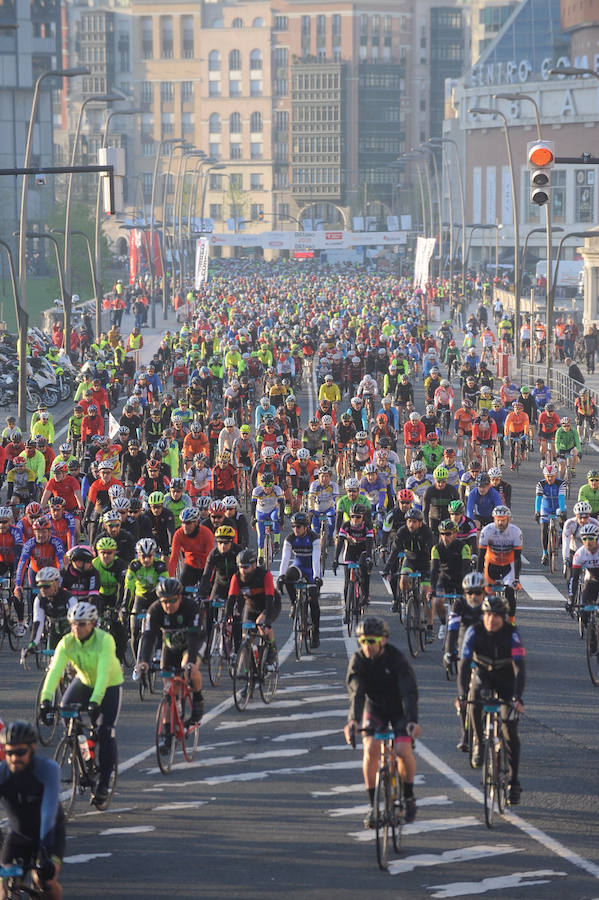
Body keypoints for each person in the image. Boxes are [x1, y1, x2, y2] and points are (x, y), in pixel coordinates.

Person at [40, 600, 122, 807]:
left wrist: (95, 701)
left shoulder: (105, 640)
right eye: (74, 623)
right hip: (84, 681)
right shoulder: (67, 642)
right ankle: (84, 752)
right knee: (66, 710)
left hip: (109, 685)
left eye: (82, 624)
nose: (77, 628)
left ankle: (103, 783)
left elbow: (103, 674)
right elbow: (55, 672)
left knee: (105, 730)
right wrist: (45, 701)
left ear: (93, 624)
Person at [344, 616, 420, 828]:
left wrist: (412, 720)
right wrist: (353, 722)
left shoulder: (397, 659)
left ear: (383, 640)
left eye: (371, 641)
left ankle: (408, 795)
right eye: (362, 641)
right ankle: (373, 806)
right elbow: (356, 693)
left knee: (404, 751)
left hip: (398, 710)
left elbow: (409, 692)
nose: (366, 646)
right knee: (370, 749)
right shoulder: (358, 660)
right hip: (374, 708)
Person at [458, 594, 525, 805]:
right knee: (473, 701)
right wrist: (461, 696)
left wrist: (516, 698)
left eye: (497, 615)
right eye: (488, 614)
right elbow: (463, 664)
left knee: (509, 730)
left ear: (504, 617)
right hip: (483, 676)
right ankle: (478, 741)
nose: (492, 619)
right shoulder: (474, 632)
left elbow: (520, 668)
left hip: (506, 680)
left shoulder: (512, 634)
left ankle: (513, 782)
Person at [0, 721, 64, 900]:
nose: (14, 758)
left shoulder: (47, 769)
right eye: (9, 752)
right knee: (2, 892)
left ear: (33, 748)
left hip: (50, 833)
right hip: (18, 835)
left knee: (44, 881)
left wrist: (45, 850)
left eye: (20, 752)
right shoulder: (2, 772)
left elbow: (49, 812)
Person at [138, 577, 205, 740]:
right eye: (164, 601)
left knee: (188, 667)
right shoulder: (154, 610)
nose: (168, 605)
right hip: (171, 646)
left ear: (180, 597)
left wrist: (189, 662)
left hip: (193, 642)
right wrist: (143, 662)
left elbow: (193, 637)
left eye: (173, 600)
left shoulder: (191, 607)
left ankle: (197, 698)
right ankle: (167, 732)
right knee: (169, 690)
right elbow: (148, 637)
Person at [444, 571, 486, 750]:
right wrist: (448, 652)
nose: (474, 596)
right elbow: (452, 630)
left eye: (477, 592)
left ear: (484, 592)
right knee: (463, 699)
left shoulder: (490, 604)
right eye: (470, 592)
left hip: (486, 650)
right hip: (465, 648)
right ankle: (465, 735)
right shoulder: (459, 604)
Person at [226, 549, 280, 663]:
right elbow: (231, 600)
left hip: (270, 604)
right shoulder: (236, 578)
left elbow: (270, 598)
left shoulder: (265, 575)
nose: (243, 570)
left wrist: (268, 620)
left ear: (254, 565)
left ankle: (272, 648)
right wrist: (227, 618)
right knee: (246, 638)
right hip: (252, 606)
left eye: (246, 567)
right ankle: (250, 672)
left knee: (261, 624)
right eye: (241, 567)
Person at [277, 512, 322, 648]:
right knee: (288, 576)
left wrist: (317, 577)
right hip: (299, 566)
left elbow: (316, 559)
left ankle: (315, 633)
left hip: (311, 570)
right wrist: (281, 576)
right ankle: (293, 603)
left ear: (306, 527)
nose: (295, 529)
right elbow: (285, 558)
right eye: (293, 526)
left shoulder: (314, 538)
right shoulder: (290, 538)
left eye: (299, 526)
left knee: (313, 601)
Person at [333, 503, 374, 623]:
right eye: (352, 517)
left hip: (363, 550)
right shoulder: (346, 525)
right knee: (347, 582)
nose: (355, 520)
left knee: (364, 571)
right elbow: (340, 542)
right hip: (350, 550)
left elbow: (369, 544)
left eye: (358, 517)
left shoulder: (367, 526)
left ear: (363, 517)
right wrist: (335, 559)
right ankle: (347, 611)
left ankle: (365, 595)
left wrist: (369, 558)